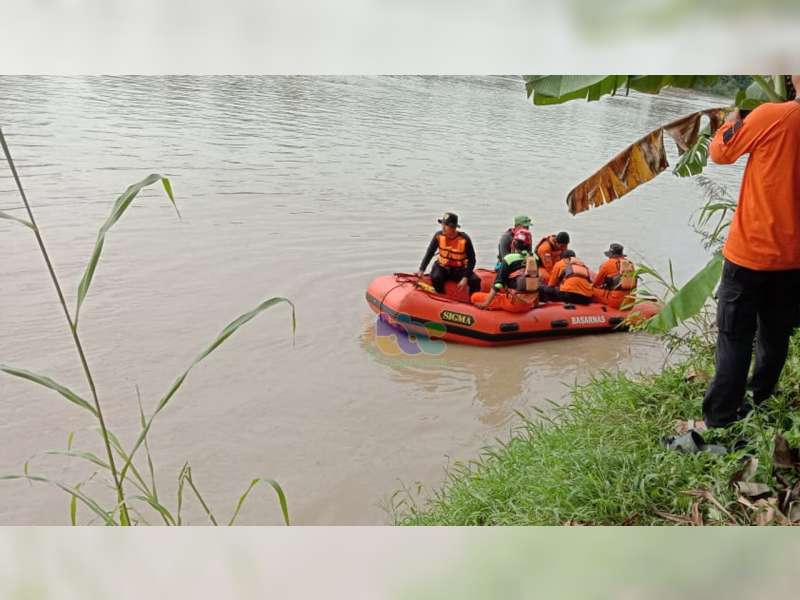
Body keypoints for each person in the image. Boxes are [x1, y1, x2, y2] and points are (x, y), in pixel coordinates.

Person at [687, 79, 800, 432]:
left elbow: (721, 152)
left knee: (734, 336)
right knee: (775, 334)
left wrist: (734, 119)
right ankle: (761, 401)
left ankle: (720, 420)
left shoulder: (774, 115)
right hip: (794, 259)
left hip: (751, 252)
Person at [473, 229, 538, 312]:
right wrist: (536, 305)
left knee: (475, 296)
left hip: (514, 303)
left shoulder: (509, 259)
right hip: (530, 303)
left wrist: (485, 304)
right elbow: (535, 282)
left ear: (514, 244)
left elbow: (498, 284)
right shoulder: (534, 259)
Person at [416, 212, 482, 295]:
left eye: (446, 225)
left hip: (459, 269)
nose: (443, 227)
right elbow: (429, 253)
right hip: (442, 267)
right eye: (442, 224)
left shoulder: (465, 239)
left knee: (475, 280)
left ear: (453, 227)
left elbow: (472, 260)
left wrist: (465, 277)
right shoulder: (438, 236)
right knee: (436, 277)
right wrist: (422, 269)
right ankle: (441, 297)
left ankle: (473, 302)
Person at [593, 243, 637, 309]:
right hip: (630, 301)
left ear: (611, 255)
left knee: (590, 290)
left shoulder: (607, 264)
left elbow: (596, 283)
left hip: (615, 301)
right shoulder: (630, 264)